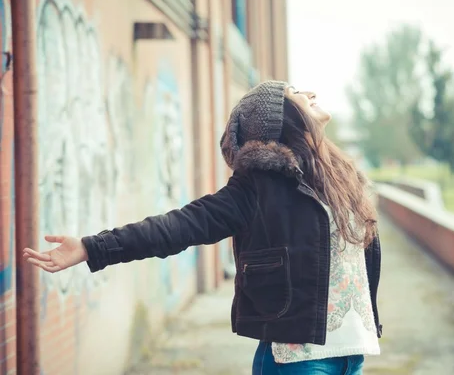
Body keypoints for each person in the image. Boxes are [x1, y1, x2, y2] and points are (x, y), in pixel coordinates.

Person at [23, 81, 383, 375]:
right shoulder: (257, 187)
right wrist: (92, 247)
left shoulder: (340, 179)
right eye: (295, 91)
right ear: (280, 115)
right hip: (300, 357)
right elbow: (180, 226)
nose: (310, 92)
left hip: (353, 351)